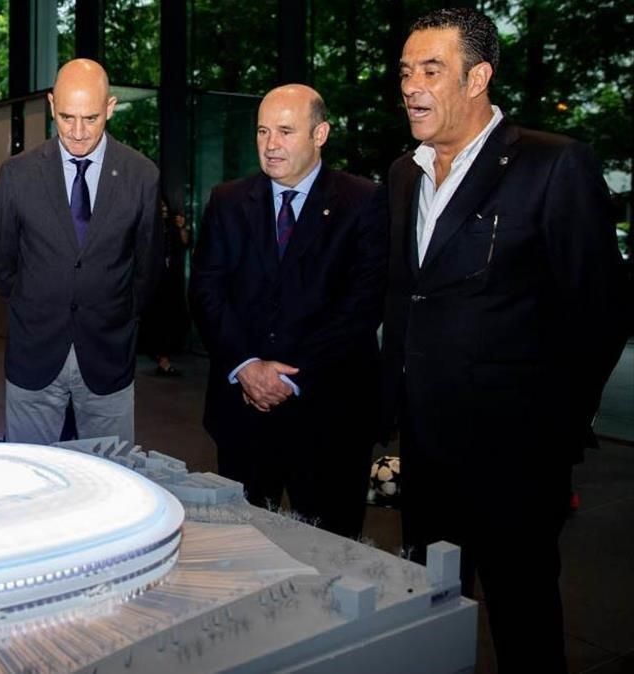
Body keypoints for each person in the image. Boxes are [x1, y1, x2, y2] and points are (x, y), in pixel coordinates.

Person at [380, 9, 627, 671]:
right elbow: (408, 297)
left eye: (431, 70)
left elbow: (600, 310)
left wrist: (552, 429)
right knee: (430, 609)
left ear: (478, 77)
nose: (411, 86)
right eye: (405, 71)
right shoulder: (405, 174)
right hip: (425, 449)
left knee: (523, 617)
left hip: (516, 458)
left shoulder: (551, 165)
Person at [190, 84, 386, 539]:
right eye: (262, 131)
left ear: (320, 134)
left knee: (331, 560)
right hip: (242, 416)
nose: (271, 144)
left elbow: (361, 306)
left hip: (329, 417)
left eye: (284, 131)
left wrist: (286, 377)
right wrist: (247, 367)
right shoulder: (228, 201)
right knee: (239, 554)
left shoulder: (363, 202)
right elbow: (206, 291)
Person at [0, 58, 160, 445]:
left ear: (111, 108)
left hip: (108, 354)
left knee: (113, 484)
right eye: (66, 117)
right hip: (35, 353)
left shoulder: (141, 175)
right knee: (32, 483)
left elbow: (146, 268)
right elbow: (5, 264)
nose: (78, 132)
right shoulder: (18, 174)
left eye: (91, 118)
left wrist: (118, 316)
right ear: (51, 105)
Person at [139, 204, 192, 376]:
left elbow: (185, 243)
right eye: (160, 208)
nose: (163, 211)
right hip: (155, 282)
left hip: (171, 282)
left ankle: (164, 358)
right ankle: (162, 359)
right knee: (157, 320)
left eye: (165, 209)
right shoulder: (150, 228)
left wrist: (181, 227)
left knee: (172, 319)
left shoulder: (173, 228)